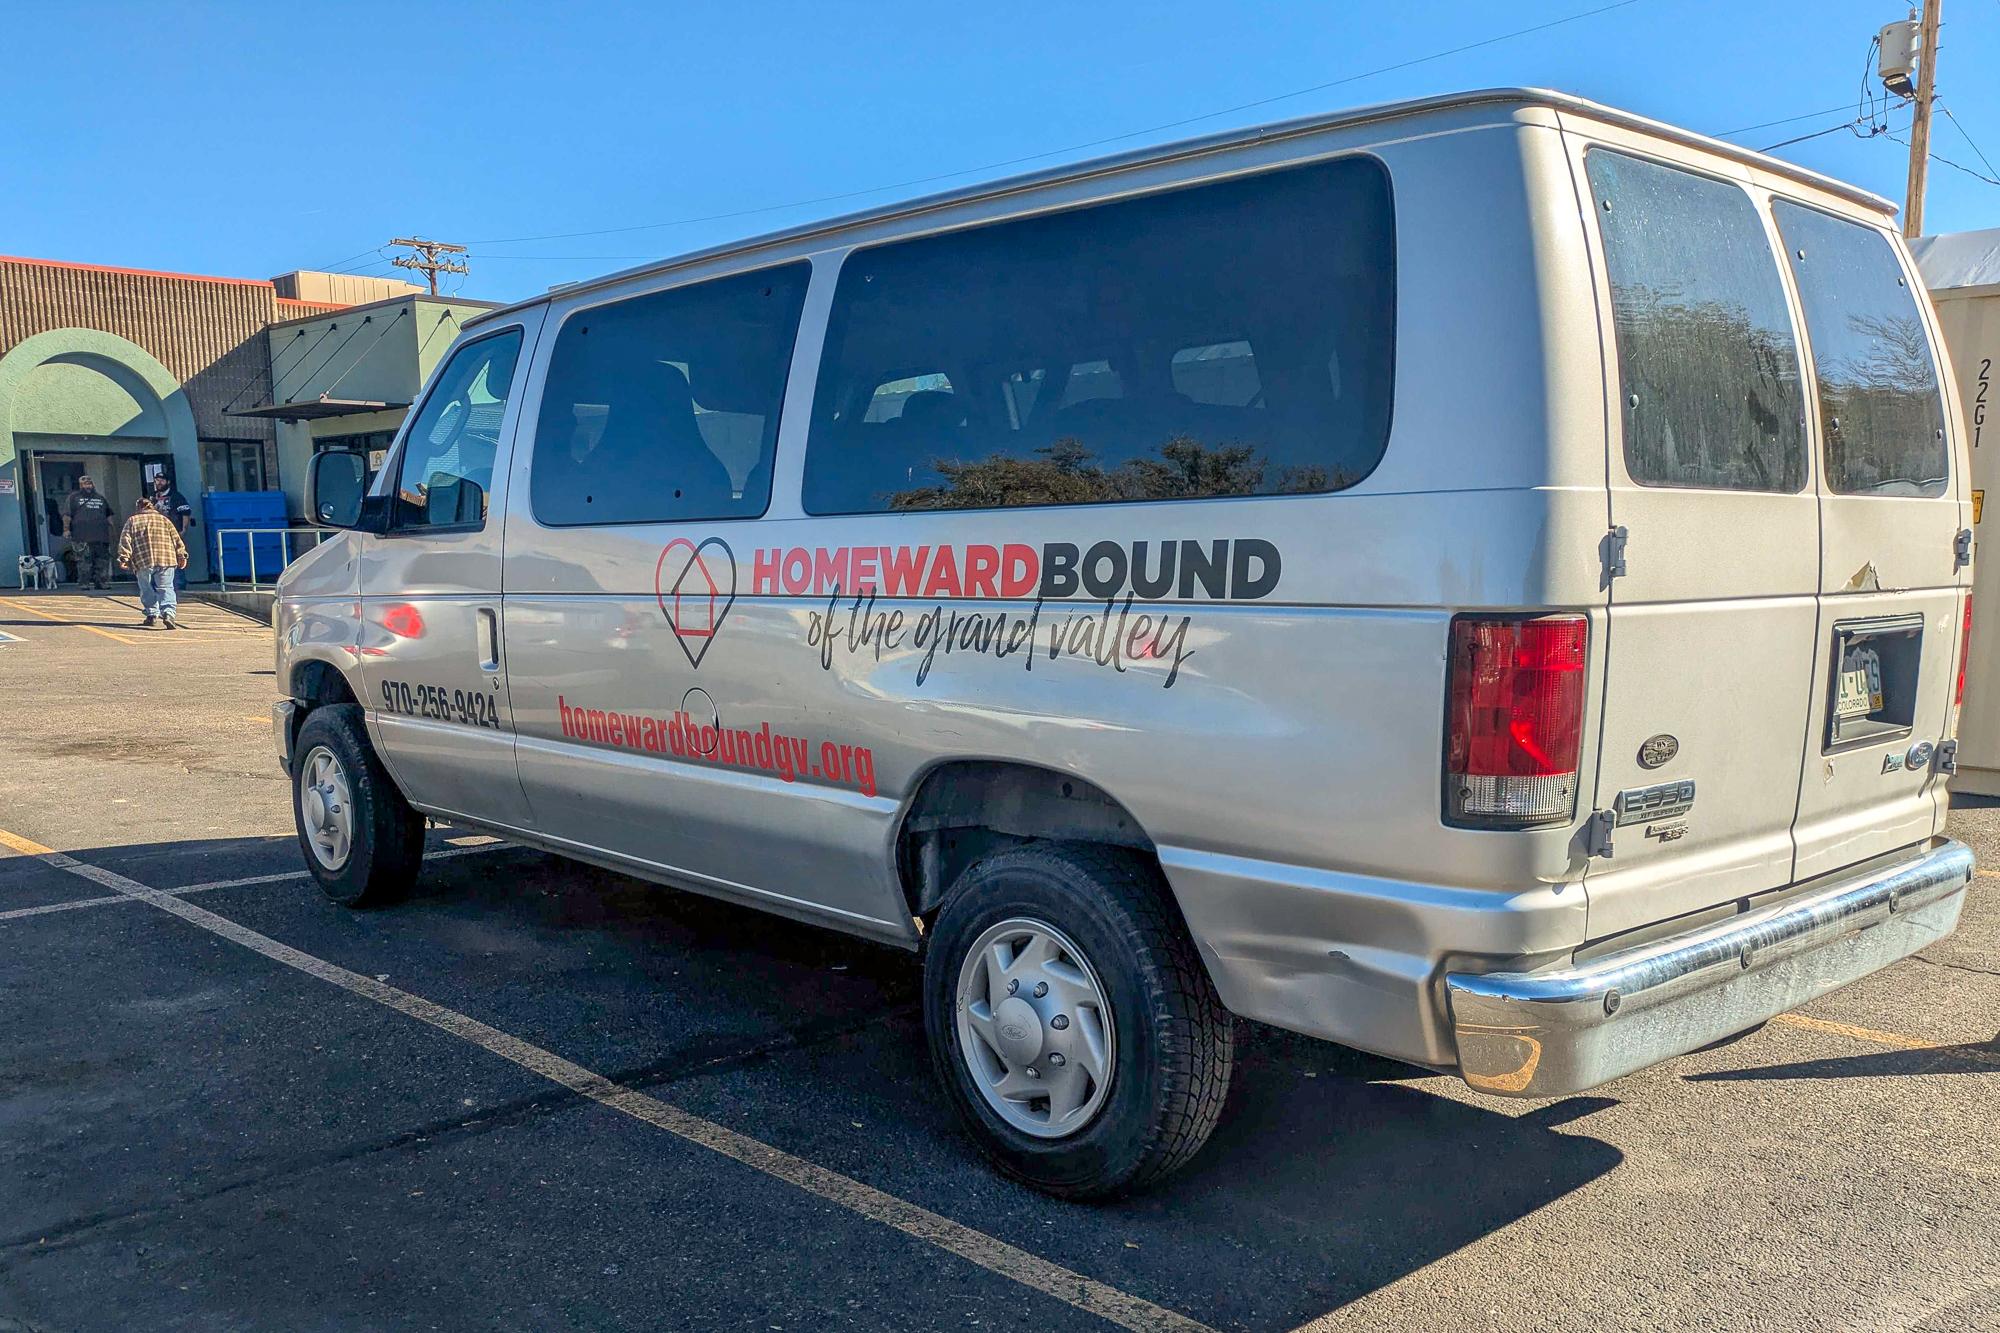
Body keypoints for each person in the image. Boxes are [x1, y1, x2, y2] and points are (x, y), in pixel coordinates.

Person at [115, 495, 188, 629]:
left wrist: (124, 558)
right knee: (166, 587)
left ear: (138, 508)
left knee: (146, 588)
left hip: (143, 559)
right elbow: (176, 539)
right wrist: (182, 556)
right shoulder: (164, 520)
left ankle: (152, 614)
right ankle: (168, 613)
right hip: (166, 558)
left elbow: (126, 540)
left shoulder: (132, 521)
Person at [63, 475, 116, 590]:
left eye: (89, 483)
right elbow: (67, 515)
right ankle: (84, 583)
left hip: (101, 536)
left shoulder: (100, 498)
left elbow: (109, 515)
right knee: (83, 562)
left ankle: (102, 582)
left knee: (102, 561)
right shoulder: (73, 498)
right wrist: (66, 529)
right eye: (85, 483)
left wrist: (113, 531)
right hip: (81, 536)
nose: (88, 485)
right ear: (80, 485)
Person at [147, 472, 194, 589]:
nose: (159, 483)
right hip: (156, 536)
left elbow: (185, 513)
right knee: (156, 560)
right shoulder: (152, 498)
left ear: (168, 482)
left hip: (172, 534)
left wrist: (183, 530)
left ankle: (179, 585)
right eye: (157, 480)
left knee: (176, 559)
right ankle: (156, 585)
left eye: (162, 480)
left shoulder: (176, 496)